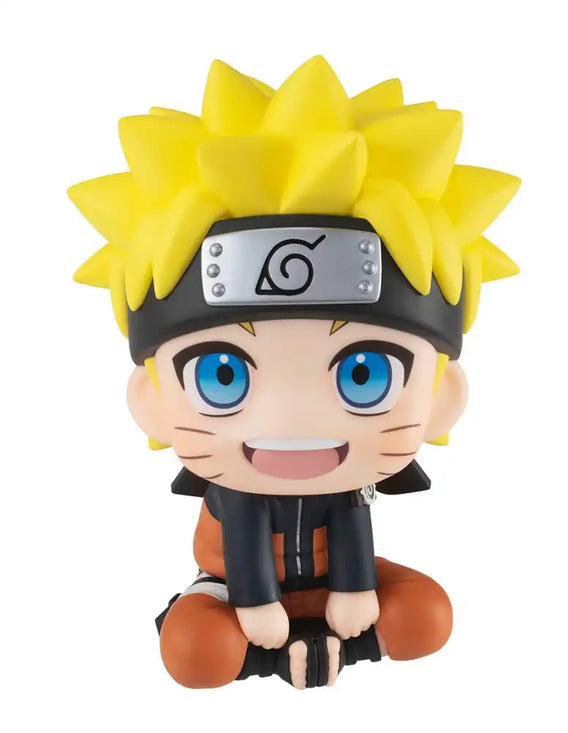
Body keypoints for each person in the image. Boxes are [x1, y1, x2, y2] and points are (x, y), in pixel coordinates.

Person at [69, 56, 520, 689]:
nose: (288, 419)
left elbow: (354, 523)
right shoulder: (236, 489)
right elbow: (243, 535)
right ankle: (294, 653)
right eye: (222, 376)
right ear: (152, 403)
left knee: (429, 616)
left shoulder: (352, 483)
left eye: (364, 374)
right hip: (234, 592)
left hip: (336, 587)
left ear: (441, 398)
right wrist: (255, 608)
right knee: (196, 652)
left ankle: (321, 649)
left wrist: (356, 590)